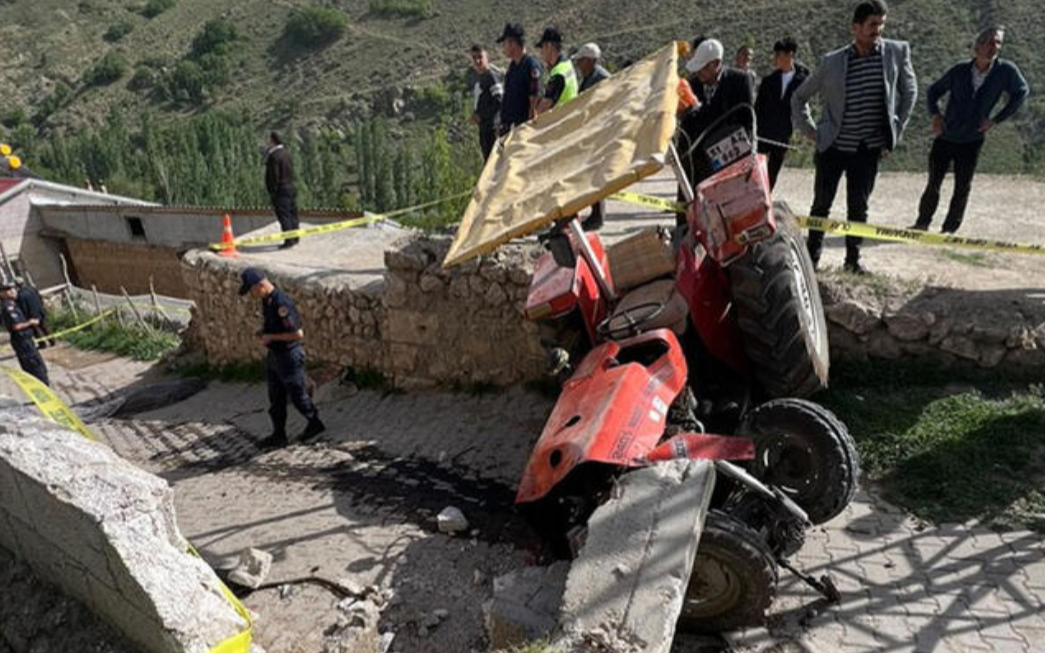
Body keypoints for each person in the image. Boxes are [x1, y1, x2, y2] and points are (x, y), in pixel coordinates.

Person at [791, 0, 917, 275]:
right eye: (872, 25)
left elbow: (910, 93)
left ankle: (852, 261)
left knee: (858, 208)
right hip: (833, 147)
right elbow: (799, 97)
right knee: (821, 205)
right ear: (855, 27)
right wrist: (811, 131)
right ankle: (811, 262)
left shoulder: (896, 53)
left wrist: (893, 130)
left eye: (881, 25)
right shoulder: (832, 62)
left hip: (868, 149)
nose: (877, 30)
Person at [912, 26, 1029, 234]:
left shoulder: (1005, 71)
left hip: (972, 140)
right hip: (946, 136)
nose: (995, 47)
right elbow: (933, 91)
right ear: (978, 46)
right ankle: (922, 223)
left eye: (999, 43)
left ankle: (949, 230)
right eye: (991, 42)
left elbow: (1021, 92)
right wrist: (936, 116)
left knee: (962, 186)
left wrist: (995, 120)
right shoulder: (959, 71)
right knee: (934, 183)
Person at [239, 267, 325, 449]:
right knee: (276, 397)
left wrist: (272, 338)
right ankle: (279, 434)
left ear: (260, 285)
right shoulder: (267, 301)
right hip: (275, 355)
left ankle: (314, 422)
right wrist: (265, 333)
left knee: (297, 395)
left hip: (289, 356)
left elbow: (297, 334)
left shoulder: (281, 304)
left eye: (251, 291)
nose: (251, 295)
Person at [675, 37, 756, 225]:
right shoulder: (692, 84)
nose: (699, 73)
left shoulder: (740, 81)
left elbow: (745, 121)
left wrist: (699, 110)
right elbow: (688, 125)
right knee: (688, 214)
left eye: (703, 68)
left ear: (716, 64)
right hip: (696, 161)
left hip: (727, 161)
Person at [755, 37, 809, 189]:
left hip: (783, 134)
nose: (775, 59)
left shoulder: (803, 81)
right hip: (763, 134)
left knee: (772, 174)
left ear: (789, 55)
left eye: (778, 55)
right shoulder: (768, 81)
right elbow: (758, 107)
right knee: (758, 171)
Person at [573, 42, 612, 230]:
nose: (579, 65)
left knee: (597, 174)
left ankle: (598, 216)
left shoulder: (602, 78)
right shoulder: (589, 78)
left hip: (600, 132)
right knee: (592, 174)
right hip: (590, 132)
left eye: (581, 61)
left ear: (589, 60)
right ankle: (595, 213)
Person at [496, 23, 543, 136]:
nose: (504, 48)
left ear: (513, 43)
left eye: (505, 44)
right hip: (509, 127)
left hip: (522, 127)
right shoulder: (513, 67)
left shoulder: (530, 66)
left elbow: (535, 96)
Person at [1, 281, 49, 386]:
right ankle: (42, 387)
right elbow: (16, 326)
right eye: (7, 290)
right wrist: (30, 322)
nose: (11, 291)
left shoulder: (13, 303)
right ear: (2, 293)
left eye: (11, 289)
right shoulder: (8, 307)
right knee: (33, 366)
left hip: (27, 339)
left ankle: (43, 384)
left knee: (38, 364)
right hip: (22, 341)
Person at [466, 45, 503, 161]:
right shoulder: (481, 77)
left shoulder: (491, 76)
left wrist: (481, 116)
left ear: (487, 57)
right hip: (485, 129)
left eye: (480, 57)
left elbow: (499, 100)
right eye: (474, 58)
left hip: (493, 129)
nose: (477, 61)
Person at [264, 131, 299, 250]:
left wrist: (272, 192)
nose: (267, 142)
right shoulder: (287, 153)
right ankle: (295, 237)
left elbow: (274, 176)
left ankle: (288, 241)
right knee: (292, 213)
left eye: (269, 140)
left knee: (284, 215)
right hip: (291, 186)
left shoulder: (274, 156)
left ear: (273, 140)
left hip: (281, 190)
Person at [535, 27, 578, 114]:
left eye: (542, 47)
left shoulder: (558, 74)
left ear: (549, 46)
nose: (541, 52)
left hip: (560, 120)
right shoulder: (567, 63)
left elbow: (543, 107)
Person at [15, 278, 53, 348]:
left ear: (17, 285)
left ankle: (42, 344)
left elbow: (23, 307)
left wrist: (24, 317)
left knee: (35, 331)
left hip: (30, 315)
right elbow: (40, 298)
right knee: (44, 327)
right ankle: (52, 341)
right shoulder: (32, 289)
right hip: (39, 311)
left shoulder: (20, 295)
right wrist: (41, 308)